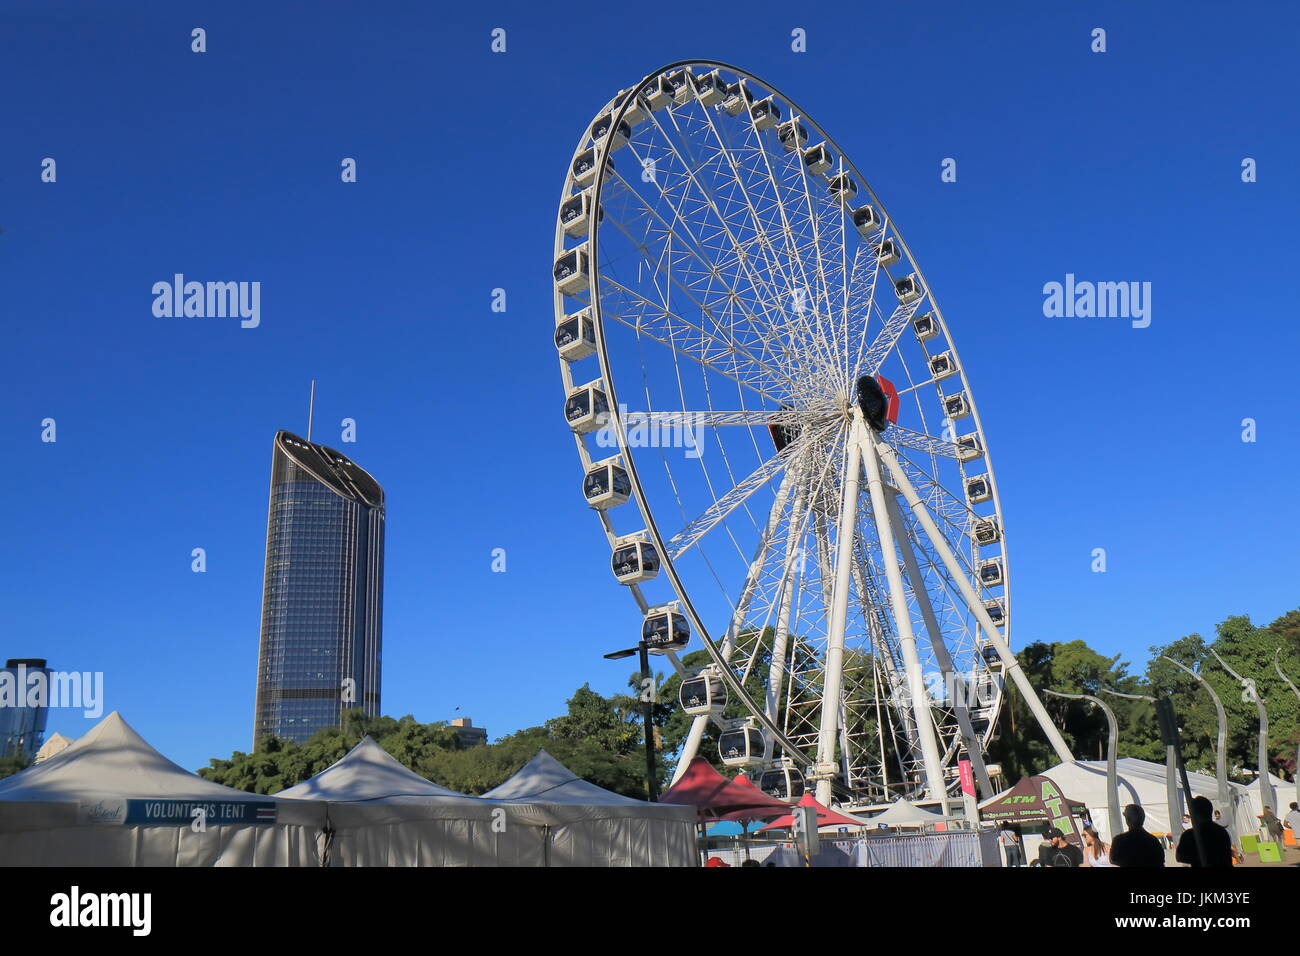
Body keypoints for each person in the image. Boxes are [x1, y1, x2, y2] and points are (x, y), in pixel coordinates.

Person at [1176, 796, 1234, 867]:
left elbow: (1180, 857)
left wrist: (1197, 856)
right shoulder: (1221, 832)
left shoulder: (1190, 835)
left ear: (1193, 813)